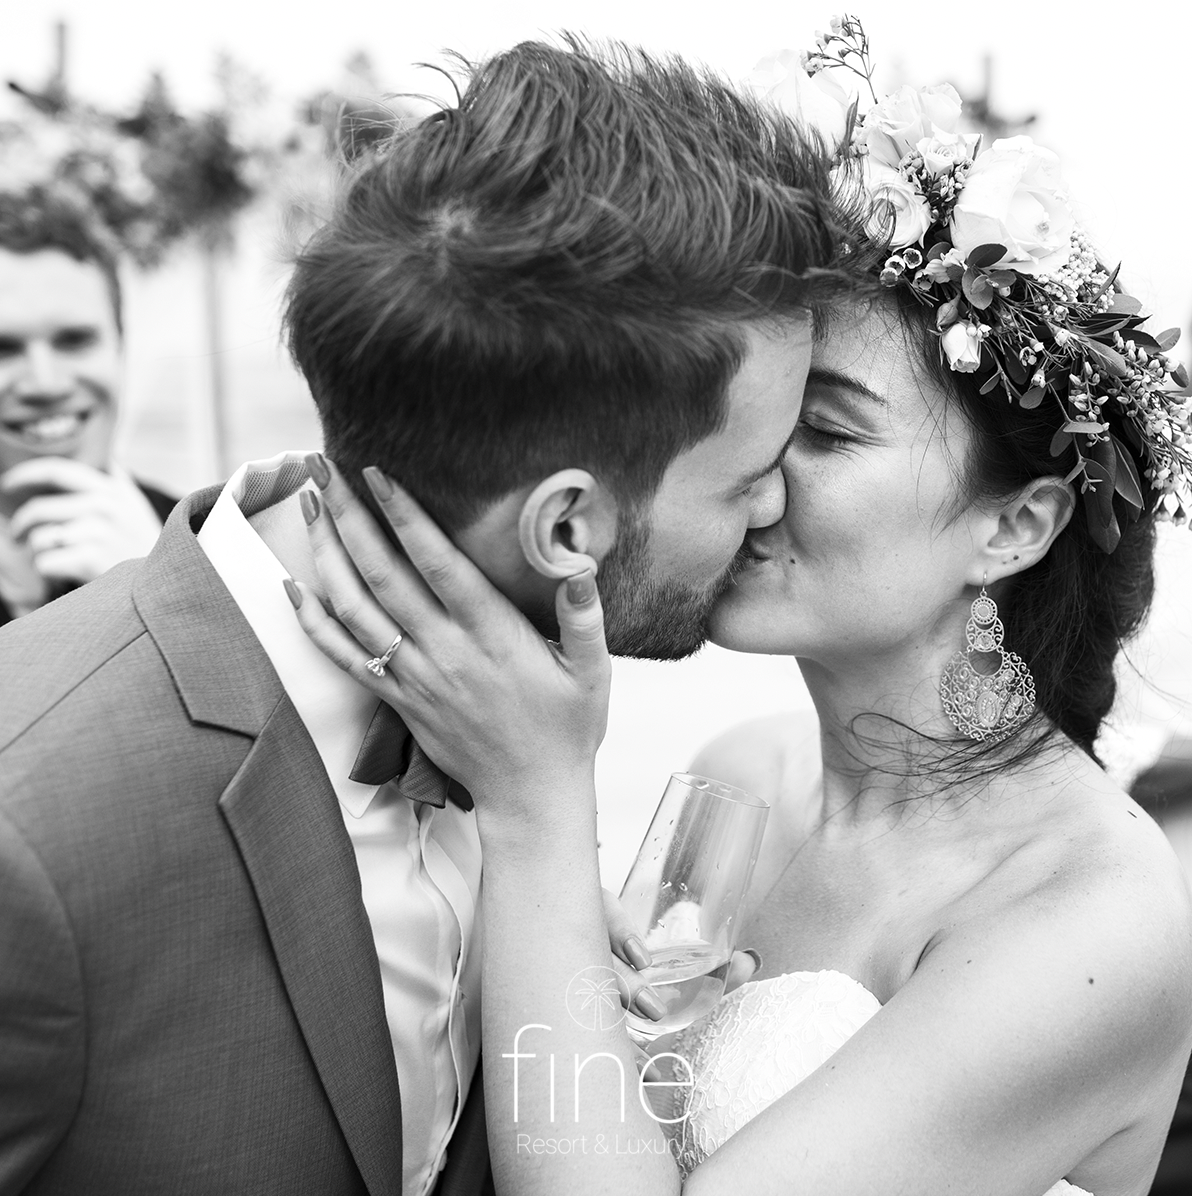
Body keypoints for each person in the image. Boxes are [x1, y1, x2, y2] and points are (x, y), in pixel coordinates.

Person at [291, 25, 1192, 1196]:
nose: (757, 476)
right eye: (756, 419)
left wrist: (537, 806)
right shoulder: (745, 779)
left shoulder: (1096, 918)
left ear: (1013, 525)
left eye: (825, 430)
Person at [0, 41, 871, 1195]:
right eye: (749, 474)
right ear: (567, 528)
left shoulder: (519, 715)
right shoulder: (30, 828)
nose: (772, 508)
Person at [0, 198, 175, 625]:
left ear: (120, 346)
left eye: (75, 340)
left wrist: (165, 594)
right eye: (4, 349)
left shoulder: (213, 542)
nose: (46, 384)